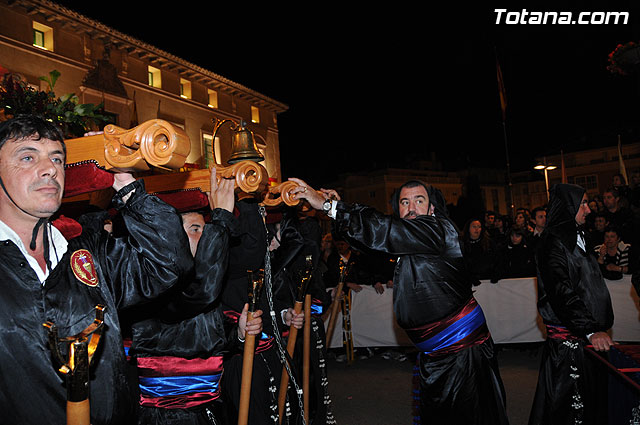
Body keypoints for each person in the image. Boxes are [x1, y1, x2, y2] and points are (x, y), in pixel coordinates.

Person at [0, 115, 193, 424]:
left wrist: (124, 181)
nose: (51, 169)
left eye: (58, 159)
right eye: (27, 157)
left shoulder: (84, 250)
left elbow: (169, 263)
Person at [290, 177, 509, 425]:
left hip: (462, 355)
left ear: (431, 208)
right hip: (436, 355)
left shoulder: (438, 229)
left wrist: (331, 208)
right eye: (405, 202)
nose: (412, 208)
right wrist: (339, 209)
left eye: (419, 200)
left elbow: (385, 230)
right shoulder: (408, 240)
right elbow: (373, 240)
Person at [126, 170, 264, 425]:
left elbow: (208, 339)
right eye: (195, 229)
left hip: (208, 409)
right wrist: (220, 219)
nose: (203, 236)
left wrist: (240, 333)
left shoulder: (203, 276)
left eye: (204, 228)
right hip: (167, 416)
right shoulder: (152, 280)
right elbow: (198, 294)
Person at [528, 183, 615, 425]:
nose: (589, 210)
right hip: (570, 345)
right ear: (568, 207)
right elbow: (561, 292)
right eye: (583, 203)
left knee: (593, 404)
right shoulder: (552, 243)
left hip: (588, 338)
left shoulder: (579, 236)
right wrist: (590, 329)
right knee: (566, 410)